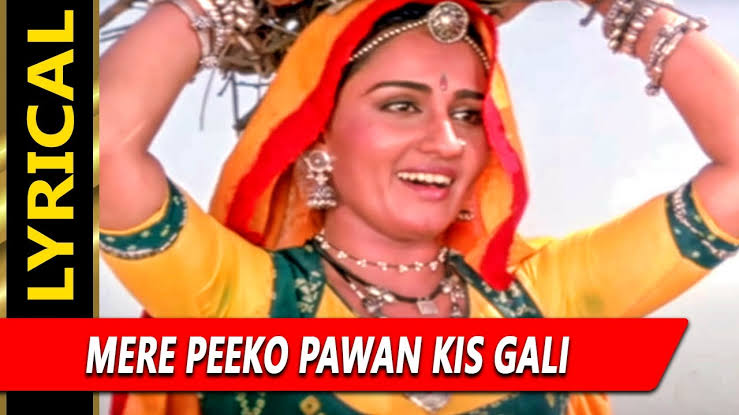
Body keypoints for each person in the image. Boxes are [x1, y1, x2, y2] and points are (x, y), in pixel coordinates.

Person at [99, 0, 739, 413]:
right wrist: (226, 4)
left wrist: (619, 7)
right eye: (400, 105)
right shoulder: (243, 305)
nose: (447, 141)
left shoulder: (541, 301)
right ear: (316, 134)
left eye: (469, 113)